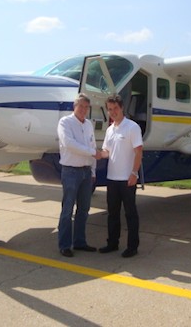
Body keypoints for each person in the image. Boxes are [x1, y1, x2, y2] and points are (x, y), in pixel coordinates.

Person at [99, 94, 143, 258]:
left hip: (127, 179)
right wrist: (95, 154)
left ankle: (132, 247)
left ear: (122, 108)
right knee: (112, 213)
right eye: (109, 109)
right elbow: (106, 152)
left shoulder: (132, 127)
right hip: (112, 179)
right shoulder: (110, 129)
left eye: (115, 108)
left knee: (130, 214)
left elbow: (138, 151)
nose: (112, 112)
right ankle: (112, 243)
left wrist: (134, 172)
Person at [57, 93, 101, 257]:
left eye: (86, 107)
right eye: (81, 106)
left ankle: (80, 242)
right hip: (71, 171)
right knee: (67, 209)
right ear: (74, 107)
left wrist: (93, 170)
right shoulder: (65, 123)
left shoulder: (88, 124)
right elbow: (69, 144)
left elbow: (93, 145)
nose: (83, 110)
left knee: (84, 209)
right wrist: (92, 153)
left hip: (86, 171)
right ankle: (64, 245)